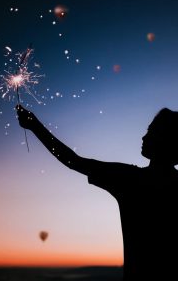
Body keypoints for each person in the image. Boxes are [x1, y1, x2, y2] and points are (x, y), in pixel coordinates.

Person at [16, 105, 178, 281]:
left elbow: (73, 161)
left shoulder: (132, 180)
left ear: (166, 140)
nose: (144, 136)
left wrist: (35, 126)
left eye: (151, 131)